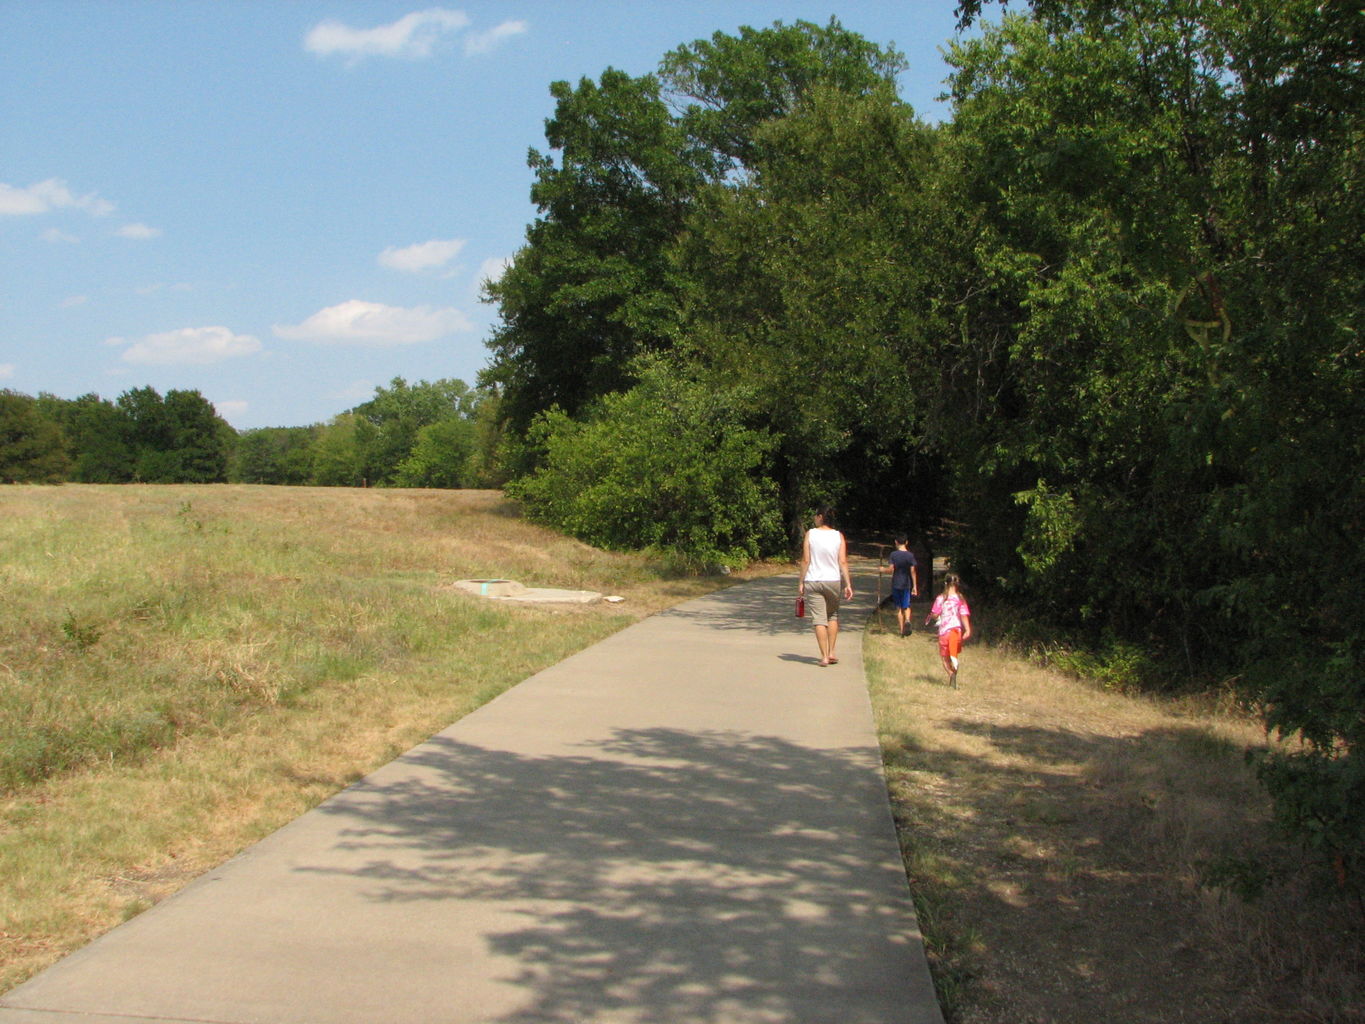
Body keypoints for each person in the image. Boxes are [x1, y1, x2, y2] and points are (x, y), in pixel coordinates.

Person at [797, 506, 854, 667]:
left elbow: (806, 560)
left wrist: (801, 581)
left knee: (819, 619)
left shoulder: (811, 534)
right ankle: (831, 652)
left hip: (813, 580)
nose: (814, 518)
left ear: (820, 517)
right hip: (833, 581)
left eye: (816, 516)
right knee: (832, 616)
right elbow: (842, 561)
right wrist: (848, 584)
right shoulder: (838, 536)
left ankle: (823, 657)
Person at [926, 573, 971, 687]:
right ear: (957, 584)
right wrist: (968, 629)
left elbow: (935, 614)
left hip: (944, 632)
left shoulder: (941, 598)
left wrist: (933, 615)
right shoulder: (960, 598)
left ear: (945, 583)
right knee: (954, 654)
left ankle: (951, 674)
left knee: (945, 658)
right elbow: (964, 614)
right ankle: (955, 666)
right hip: (956, 631)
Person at [879, 536, 919, 636]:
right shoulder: (910, 555)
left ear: (896, 542)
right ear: (907, 542)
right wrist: (914, 586)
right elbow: (913, 571)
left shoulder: (893, 555)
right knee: (907, 605)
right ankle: (908, 620)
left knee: (899, 608)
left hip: (896, 583)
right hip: (906, 584)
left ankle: (901, 631)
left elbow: (891, 569)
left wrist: (882, 569)